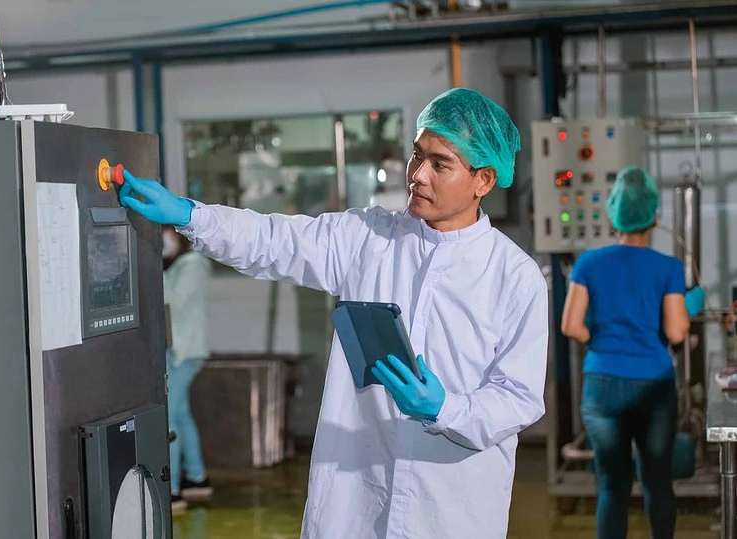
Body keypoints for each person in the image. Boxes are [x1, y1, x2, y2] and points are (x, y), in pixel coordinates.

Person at [119, 88, 548, 538]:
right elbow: (272, 241)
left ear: (483, 180)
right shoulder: (368, 239)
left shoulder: (513, 277)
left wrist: (447, 409)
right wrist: (190, 215)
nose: (418, 175)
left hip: (450, 509)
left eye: (441, 164)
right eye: (417, 155)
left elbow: (518, 397)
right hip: (356, 503)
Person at [561, 166, 706, 539]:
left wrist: (602, 342)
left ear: (613, 214)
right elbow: (675, 332)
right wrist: (688, 308)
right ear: (655, 216)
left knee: (612, 485)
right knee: (657, 483)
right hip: (653, 385)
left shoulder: (589, 263)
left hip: (602, 386)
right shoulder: (668, 268)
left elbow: (571, 326)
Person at [162, 224, 214, 514]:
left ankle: (172, 492)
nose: (163, 240)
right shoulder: (178, 265)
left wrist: (153, 267)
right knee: (180, 414)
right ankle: (196, 477)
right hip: (177, 352)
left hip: (185, 353)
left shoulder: (193, 264)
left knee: (168, 416)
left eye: (166, 234)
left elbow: (173, 300)